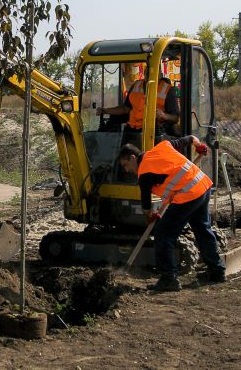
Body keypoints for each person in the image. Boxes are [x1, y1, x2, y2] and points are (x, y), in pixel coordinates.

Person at [117, 134, 225, 292]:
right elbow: (191, 138)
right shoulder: (163, 146)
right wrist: (198, 146)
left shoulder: (144, 174)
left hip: (188, 196)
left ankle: (169, 278)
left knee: (163, 233)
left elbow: (146, 207)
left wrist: (151, 217)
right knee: (202, 229)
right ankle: (217, 271)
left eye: (126, 165)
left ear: (133, 157)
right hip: (202, 186)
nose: (127, 170)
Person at [96, 76, 179, 139]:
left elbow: (175, 118)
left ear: (159, 72)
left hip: (152, 133)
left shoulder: (168, 90)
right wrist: (106, 110)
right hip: (131, 131)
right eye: (148, 68)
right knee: (124, 158)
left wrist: (164, 115)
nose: (150, 72)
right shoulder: (136, 85)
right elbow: (125, 108)